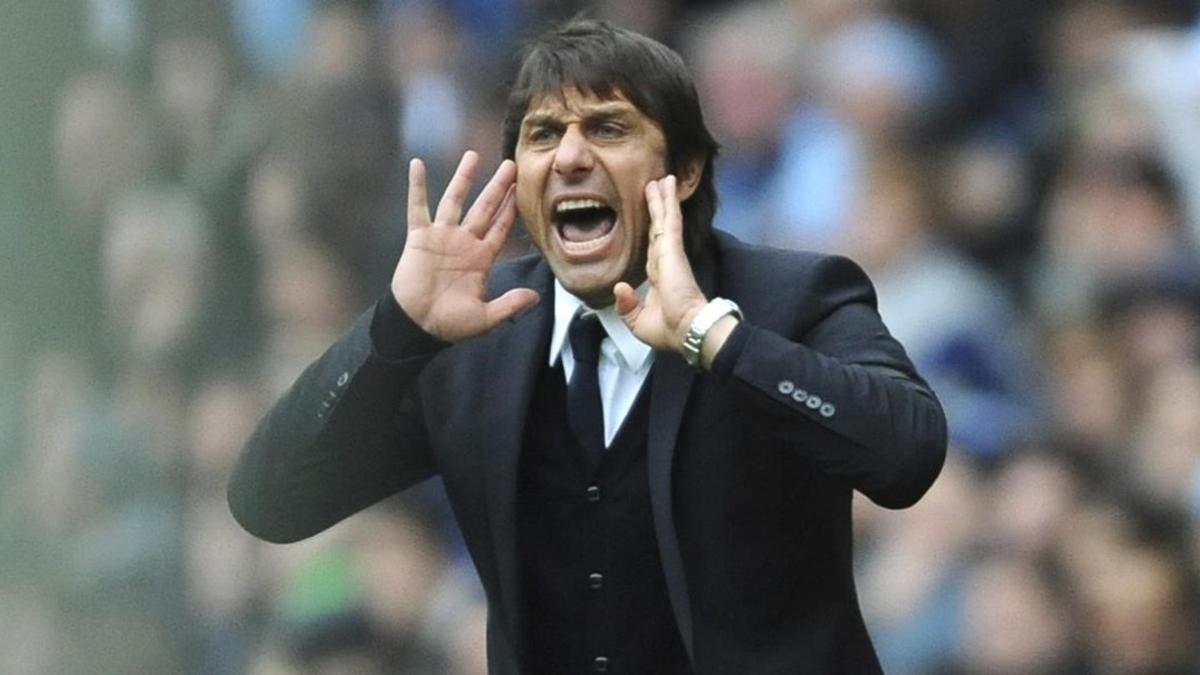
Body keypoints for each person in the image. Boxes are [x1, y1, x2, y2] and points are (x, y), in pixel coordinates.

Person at [229, 19, 948, 675]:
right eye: (543, 135)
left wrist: (718, 339)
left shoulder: (792, 296)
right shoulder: (472, 336)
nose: (570, 156)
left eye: (607, 128)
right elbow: (272, 500)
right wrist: (395, 330)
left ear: (686, 170)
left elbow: (907, 453)